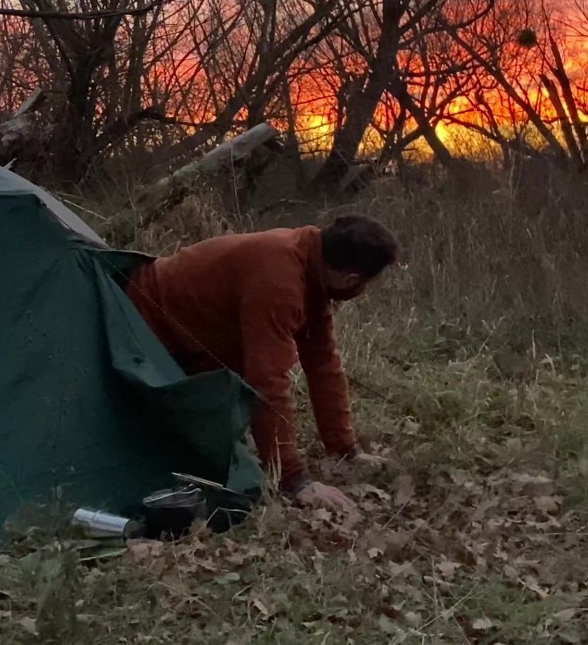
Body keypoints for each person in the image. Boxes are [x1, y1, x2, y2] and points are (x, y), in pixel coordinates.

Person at [122, 214, 399, 527]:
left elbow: (324, 364)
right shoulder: (279, 279)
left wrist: (346, 451)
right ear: (350, 279)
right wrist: (294, 480)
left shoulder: (311, 264)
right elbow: (267, 382)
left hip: (187, 340)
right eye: (363, 283)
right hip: (141, 327)